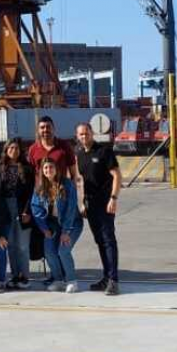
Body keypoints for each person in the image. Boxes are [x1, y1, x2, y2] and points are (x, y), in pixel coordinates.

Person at [75, 122, 123, 295]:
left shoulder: (104, 151)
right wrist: (81, 203)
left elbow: (117, 175)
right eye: (80, 134)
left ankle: (114, 280)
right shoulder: (79, 154)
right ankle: (106, 278)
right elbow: (80, 180)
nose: (83, 136)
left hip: (105, 203)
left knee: (109, 240)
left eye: (86, 133)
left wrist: (114, 198)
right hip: (91, 205)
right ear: (77, 137)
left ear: (92, 133)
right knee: (100, 242)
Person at [31, 157, 83, 293]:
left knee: (63, 250)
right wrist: (45, 228)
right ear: (42, 170)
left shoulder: (67, 185)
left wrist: (66, 231)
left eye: (51, 167)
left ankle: (72, 281)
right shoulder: (40, 188)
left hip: (72, 223)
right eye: (46, 167)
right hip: (53, 224)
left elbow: (71, 209)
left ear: (57, 169)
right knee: (49, 251)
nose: (49, 170)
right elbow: (35, 208)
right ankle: (58, 280)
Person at [0, 138, 35, 289]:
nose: (14, 151)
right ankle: (14, 275)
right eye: (11, 148)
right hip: (5, 208)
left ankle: (24, 276)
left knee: (23, 246)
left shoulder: (27, 168)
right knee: (11, 245)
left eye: (17, 148)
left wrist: (27, 211)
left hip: (22, 208)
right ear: (6, 150)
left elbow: (32, 192)